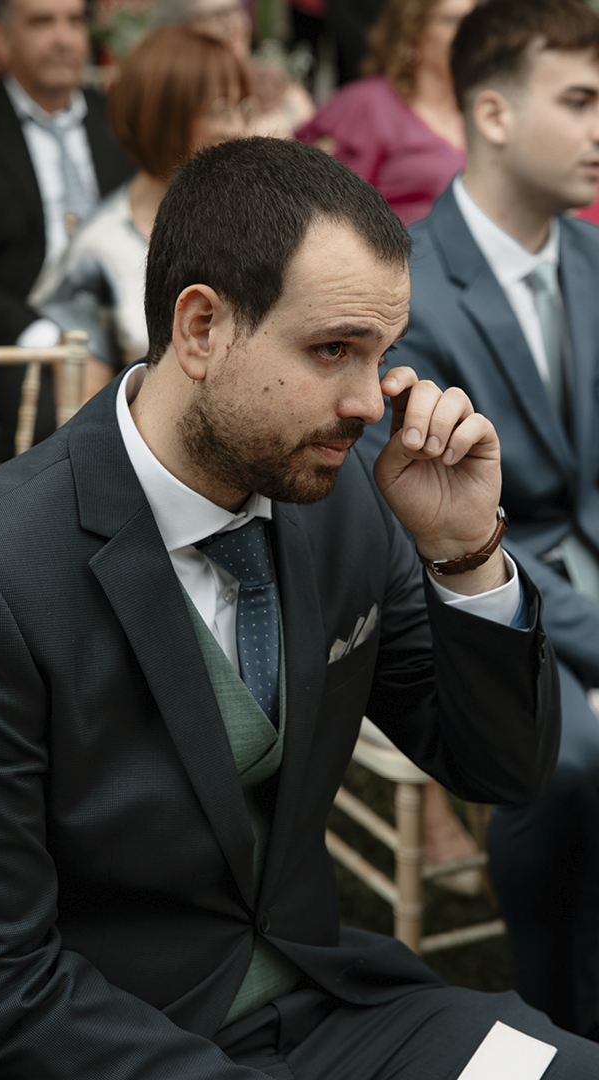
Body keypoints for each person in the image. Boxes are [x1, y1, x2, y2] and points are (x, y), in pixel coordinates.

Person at [0, 133, 599, 1076]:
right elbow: (6, 991)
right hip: (123, 1040)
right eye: (332, 350)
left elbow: (505, 770)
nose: (368, 402)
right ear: (201, 329)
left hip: (341, 1008)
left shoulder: (349, 502)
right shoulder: (5, 570)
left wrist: (466, 554)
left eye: (382, 354)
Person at [361, 0, 599, 1038]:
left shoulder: (594, 264)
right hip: (480, 583)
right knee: (571, 758)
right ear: (494, 114)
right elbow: (436, 523)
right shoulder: (408, 285)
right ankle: (562, 1021)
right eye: (582, 100)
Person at [28, 27, 251, 380]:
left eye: (242, 109)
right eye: (219, 111)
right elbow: (84, 414)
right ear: (164, 117)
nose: (236, 128)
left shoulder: (263, 216)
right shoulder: (99, 249)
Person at [0, 0, 135, 462]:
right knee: (71, 435)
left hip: (129, 322)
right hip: (25, 332)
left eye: (74, 20)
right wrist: (49, 338)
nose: (63, 38)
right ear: (1, 37)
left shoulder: (121, 122)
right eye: (42, 22)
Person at [295, 0, 475, 225]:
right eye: (453, 20)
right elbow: (324, 212)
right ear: (413, 31)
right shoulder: (366, 105)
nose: (469, 31)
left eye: (474, 19)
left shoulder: (481, 108)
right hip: (402, 254)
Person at [153, 0, 315, 138]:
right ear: (181, 31)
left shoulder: (274, 84)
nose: (231, 23)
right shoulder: (181, 100)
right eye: (216, 16)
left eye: (236, 10)